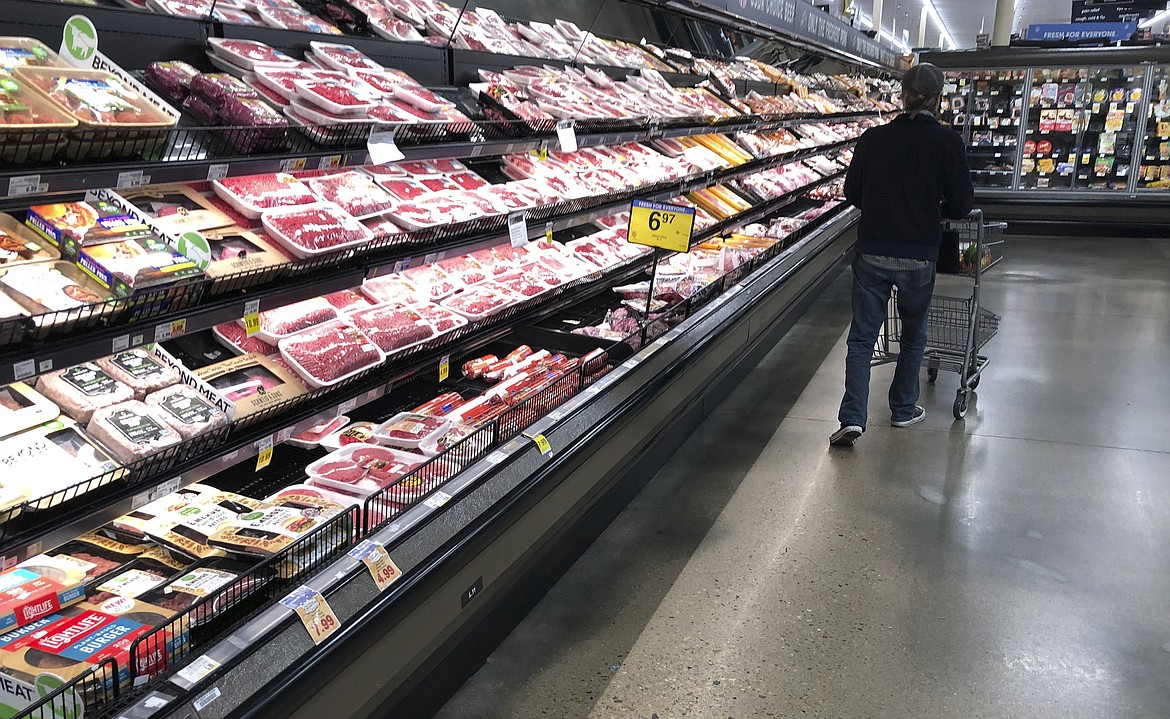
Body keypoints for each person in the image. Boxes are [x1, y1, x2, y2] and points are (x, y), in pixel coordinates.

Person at [829, 63, 974, 448]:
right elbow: (962, 203)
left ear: (901, 95)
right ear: (938, 99)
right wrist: (935, 207)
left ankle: (852, 418)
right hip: (918, 254)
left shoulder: (873, 138)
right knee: (913, 336)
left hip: (873, 251)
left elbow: (852, 193)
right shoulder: (948, 142)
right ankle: (902, 409)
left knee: (862, 338)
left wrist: (881, 204)